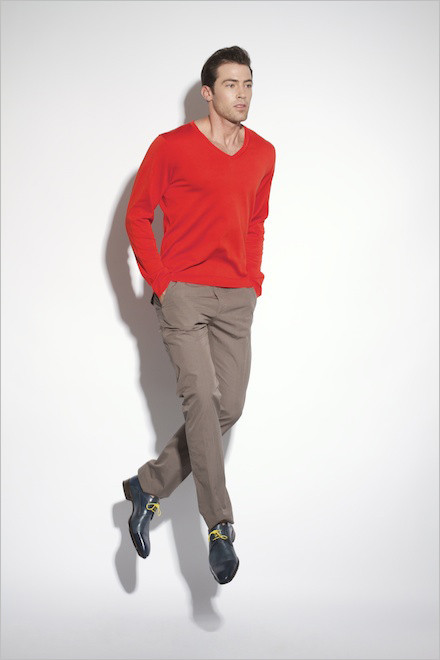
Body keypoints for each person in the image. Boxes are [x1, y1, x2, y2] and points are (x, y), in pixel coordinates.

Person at [123, 45, 276, 584]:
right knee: (203, 400)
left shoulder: (264, 153)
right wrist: (163, 283)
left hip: (236, 298)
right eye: (232, 84)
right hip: (183, 294)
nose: (243, 94)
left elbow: (255, 221)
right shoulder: (171, 147)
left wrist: (253, 282)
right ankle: (220, 528)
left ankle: (147, 486)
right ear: (208, 93)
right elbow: (137, 216)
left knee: (228, 405)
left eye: (248, 84)